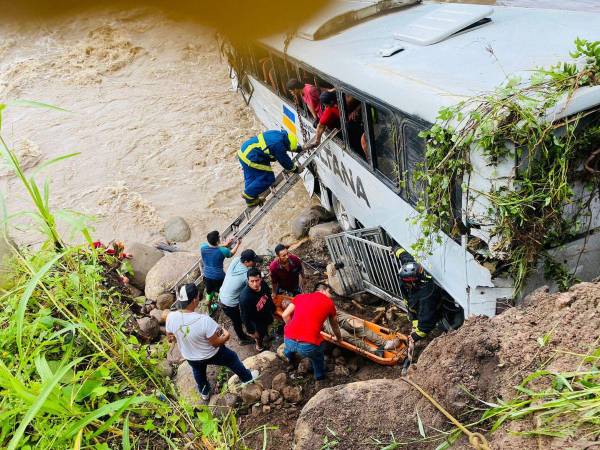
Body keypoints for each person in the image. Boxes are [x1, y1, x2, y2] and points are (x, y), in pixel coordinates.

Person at [165, 283, 258, 401]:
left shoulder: (171, 317)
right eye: (198, 297)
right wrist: (226, 335)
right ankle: (247, 378)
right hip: (211, 354)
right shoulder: (204, 320)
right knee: (232, 358)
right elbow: (215, 343)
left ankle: (204, 392)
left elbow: (169, 337)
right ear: (194, 300)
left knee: (198, 371)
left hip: (190, 357)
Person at [393, 246, 464, 343]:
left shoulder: (426, 294)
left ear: (414, 282)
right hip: (416, 305)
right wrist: (396, 249)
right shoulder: (411, 269)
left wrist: (417, 335)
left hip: (448, 311)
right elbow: (404, 256)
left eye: (408, 283)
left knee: (449, 328)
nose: (406, 284)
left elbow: (426, 318)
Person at [282, 282, 342, 381]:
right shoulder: (329, 303)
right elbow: (334, 326)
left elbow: (285, 315)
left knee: (290, 345)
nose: (330, 295)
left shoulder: (300, 297)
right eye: (329, 292)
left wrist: (291, 328)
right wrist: (338, 338)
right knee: (318, 355)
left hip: (288, 340)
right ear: (323, 290)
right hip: (308, 347)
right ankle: (319, 375)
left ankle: (289, 357)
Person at [238, 130, 302, 207]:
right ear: (287, 144)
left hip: (244, 153)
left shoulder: (280, 135)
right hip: (252, 157)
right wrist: (296, 169)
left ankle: (250, 201)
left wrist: (299, 149)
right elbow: (285, 161)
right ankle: (249, 193)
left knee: (252, 177)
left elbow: (285, 147)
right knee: (268, 178)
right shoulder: (279, 146)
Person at [219, 249, 263, 344]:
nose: (255, 262)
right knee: (237, 321)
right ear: (246, 262)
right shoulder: (244, 276)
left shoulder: (236, 260)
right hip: (229, 303)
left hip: (222, 294)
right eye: (253, 261)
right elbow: (255, 288)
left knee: (238, 316)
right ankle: (242, 338)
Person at [322, 309, 401, 356]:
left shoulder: (320, 297)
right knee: (343, 335)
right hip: (322, 320)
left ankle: (385, 343)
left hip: (331, 311)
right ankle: (372, 350)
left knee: (356, 324)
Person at [200, 230, 241, 307]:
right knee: (222, 291)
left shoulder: (202, 247)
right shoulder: (223, 250)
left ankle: (208, 306)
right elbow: (231, 254)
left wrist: (224, 244)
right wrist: (238, 244)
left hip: (207, 276)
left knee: (209, 292)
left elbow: (214, 247)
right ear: (218, 241)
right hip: (218, 277)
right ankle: (222, 303)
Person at [239, 268, 275, 352]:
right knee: (259, 336)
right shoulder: (245, 297)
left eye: (257, 280)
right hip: (255, 321)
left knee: (267, 327)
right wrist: (251, 331)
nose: (255, 284)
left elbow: (268, 296)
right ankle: (259, 347)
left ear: (260, 279)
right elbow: (244, 316)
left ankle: (266, 336)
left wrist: (272, 308)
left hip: (265, 314)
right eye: (252, 281)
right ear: (248, 281)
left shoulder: (264, 285)